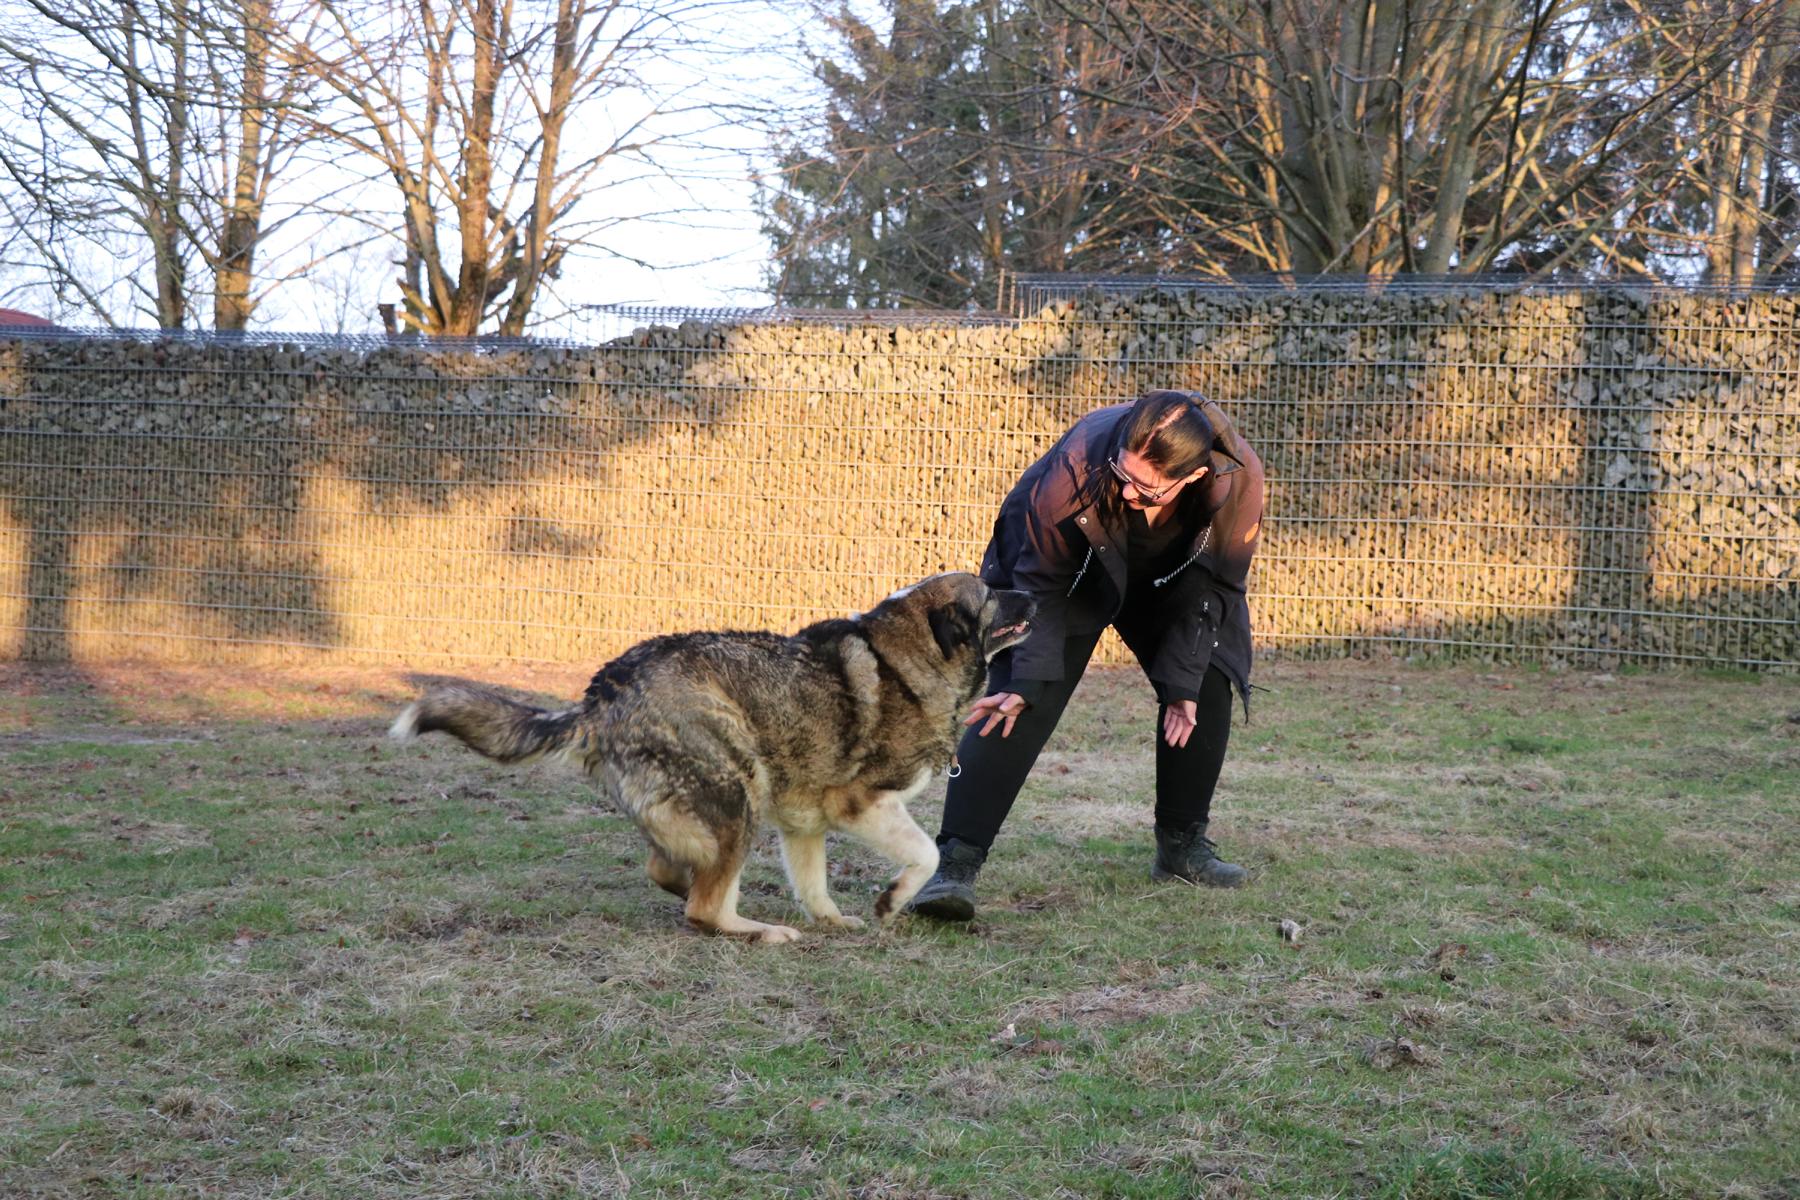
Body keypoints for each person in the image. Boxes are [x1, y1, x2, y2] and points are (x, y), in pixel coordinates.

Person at [906, 389, 1264, 921]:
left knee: (1207, 678)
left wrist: (1182, 684)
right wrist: (1025, 681)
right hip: (1064, 576)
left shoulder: (1237, 481)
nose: (1127, 490)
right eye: (1122, 473)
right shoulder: (1077, 465)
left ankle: (1181, 846)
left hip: (1174, 581)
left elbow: (1215, 588)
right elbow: (1039, 585)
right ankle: (954, 863)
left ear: (1190, 478)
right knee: (1018, 697)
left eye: (1146, 488)